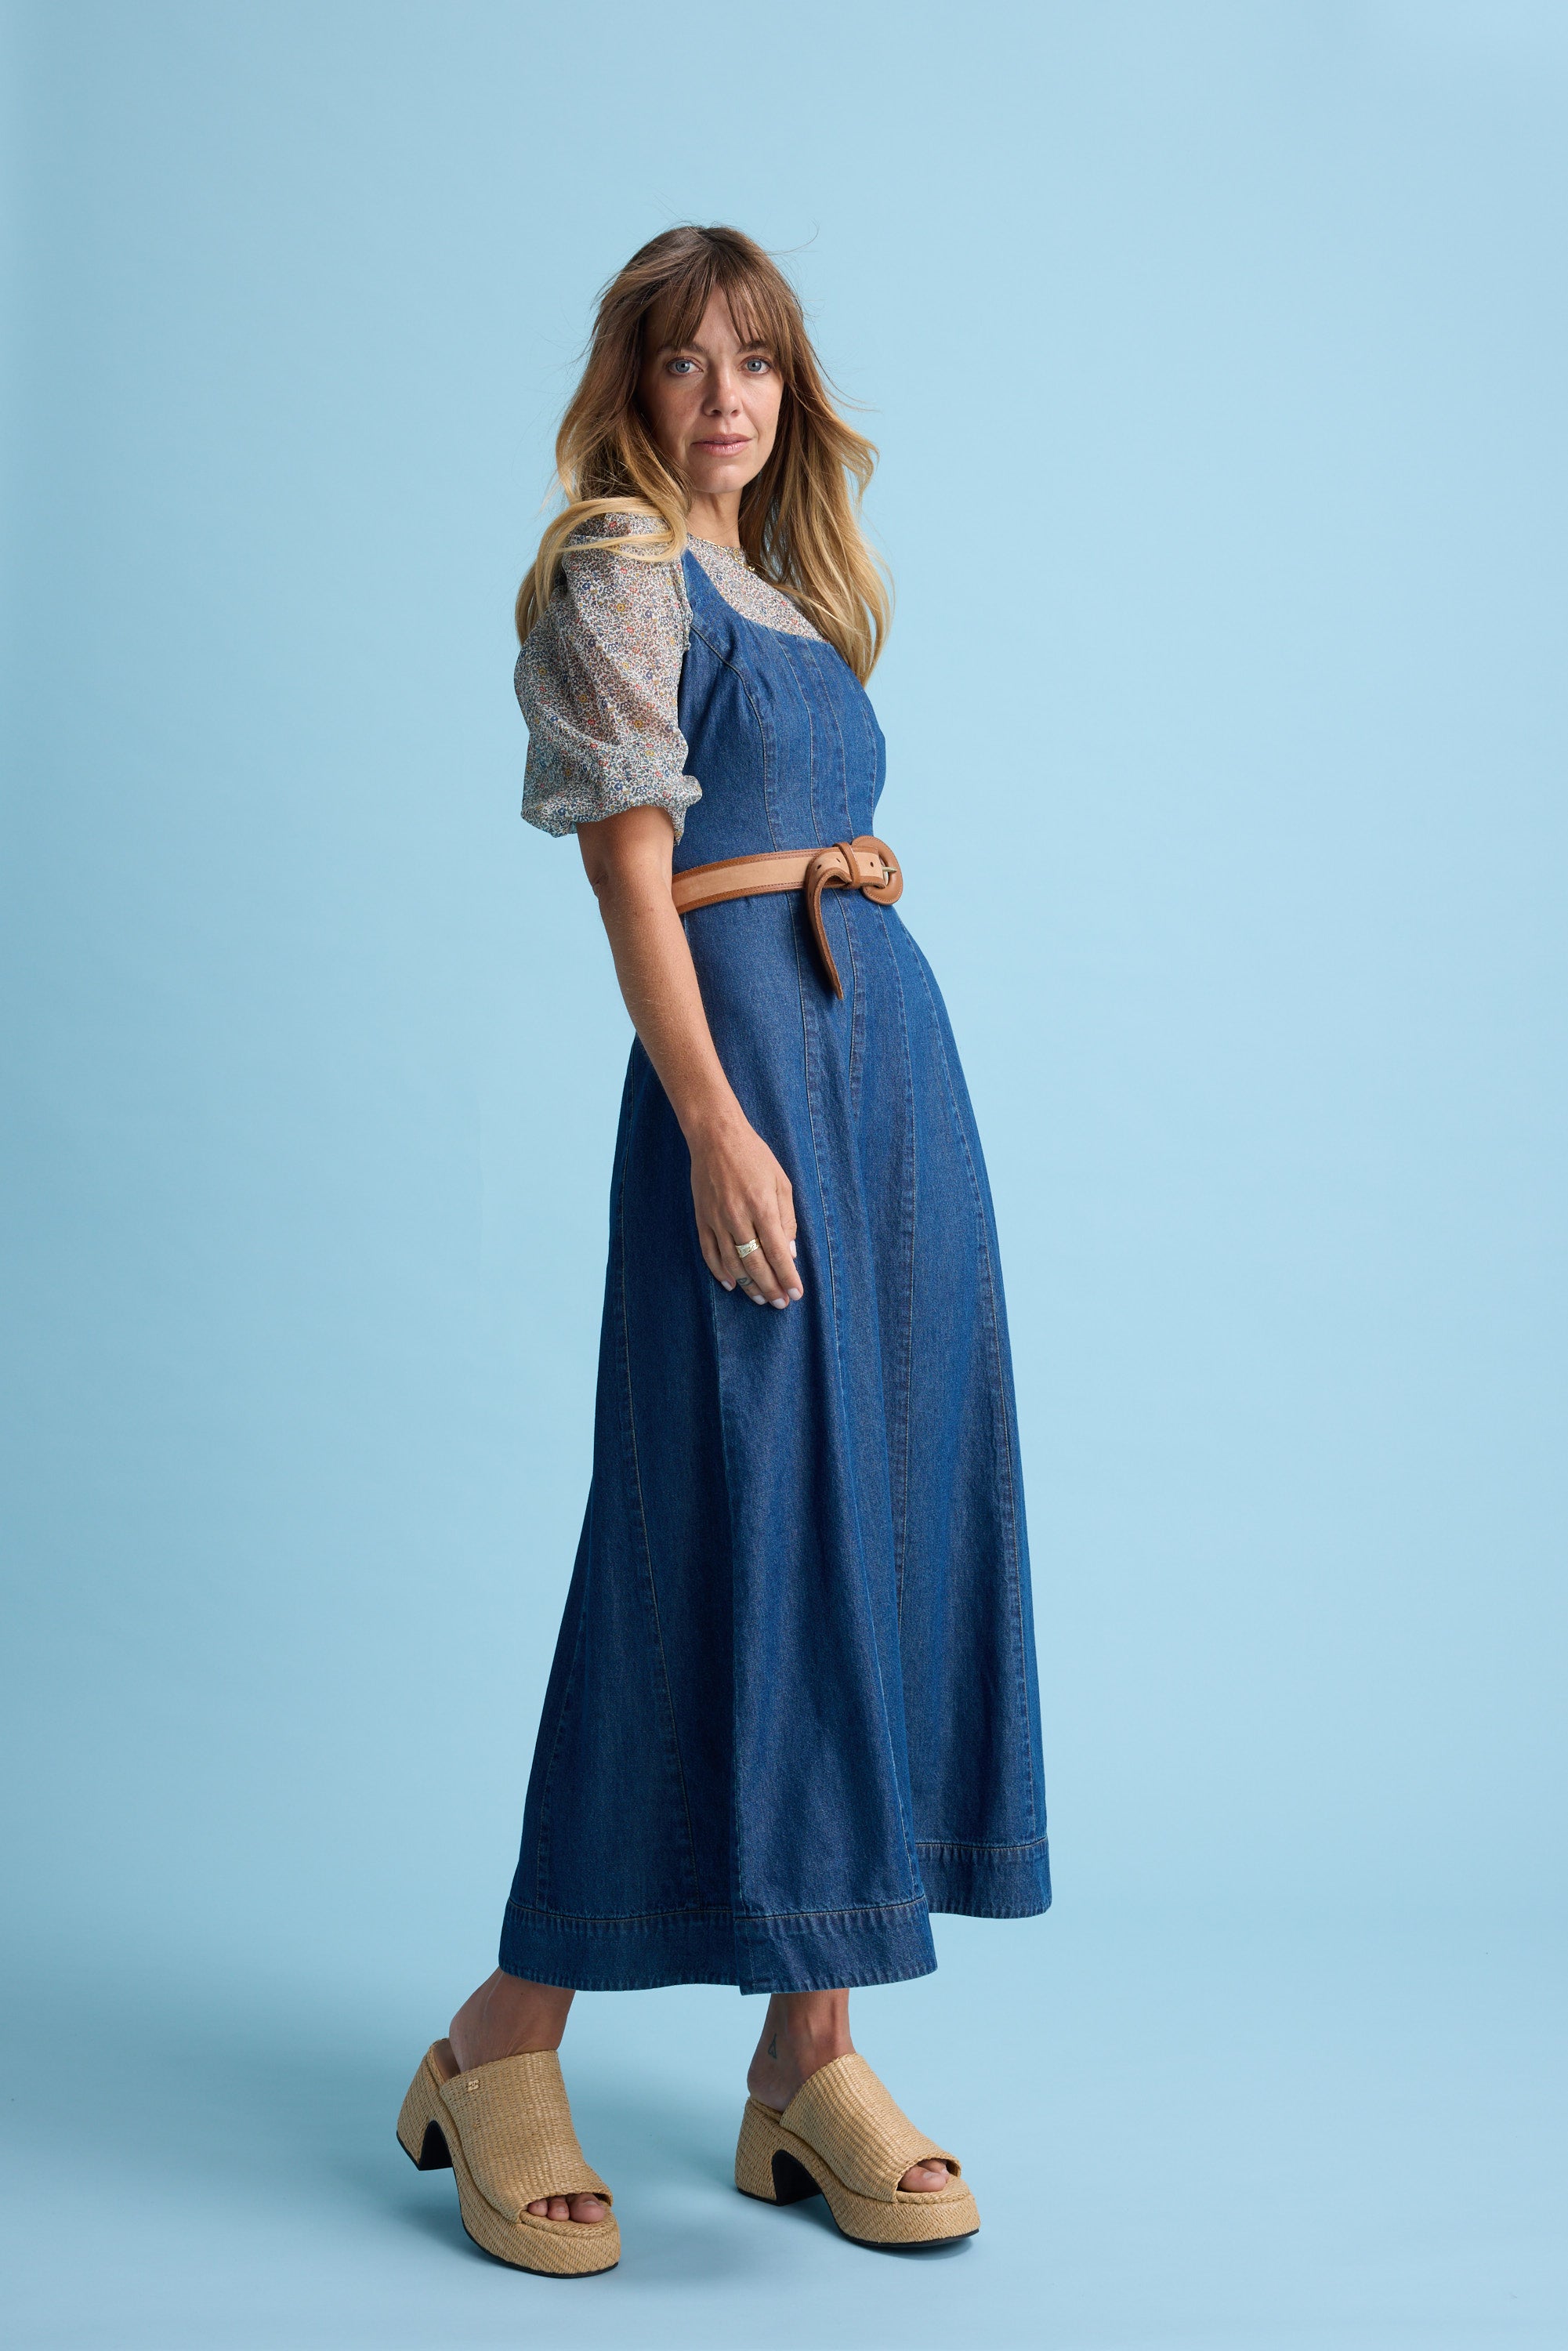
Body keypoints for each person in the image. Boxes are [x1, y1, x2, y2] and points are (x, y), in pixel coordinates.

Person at [397, 224, 1048, 2274]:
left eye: (754, 357)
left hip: (887, 1099)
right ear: (636, 384)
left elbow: (767, 825)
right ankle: (500, 2039)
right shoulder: (619, 562)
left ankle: (809, 2050)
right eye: (686, 362)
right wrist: (709, 1126)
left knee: (882, 1524)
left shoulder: (793, 587)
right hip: (748, 1084)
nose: (725, 395)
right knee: (713, 1524)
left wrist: (840, 902)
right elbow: (633, 884)